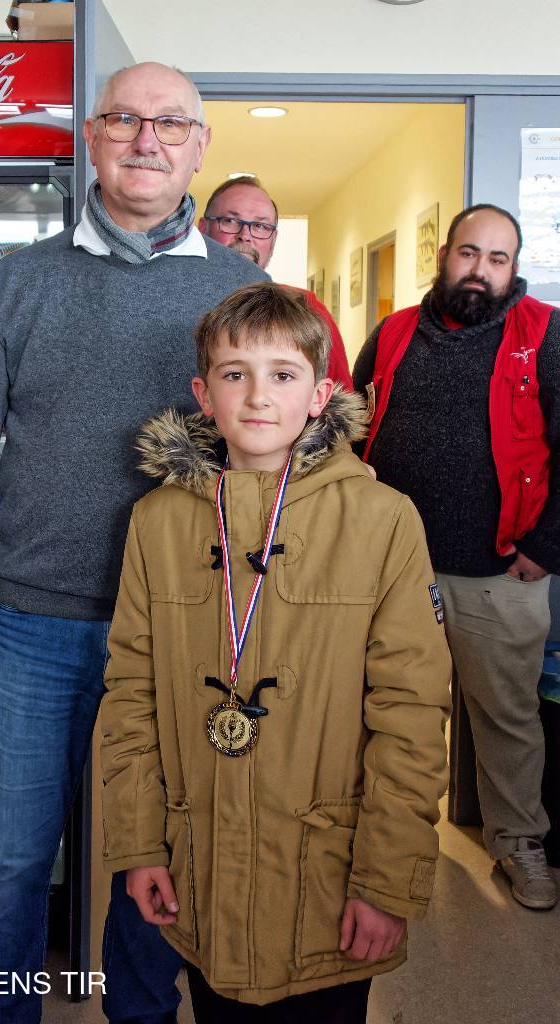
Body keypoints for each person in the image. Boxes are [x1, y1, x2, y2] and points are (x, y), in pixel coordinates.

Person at [0, 61, 266, 1024]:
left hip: (184, 630)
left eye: (170, 123)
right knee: (11, 863)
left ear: (199, 146)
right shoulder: (21, 282)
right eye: (123, 119)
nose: (146, 139)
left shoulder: (240, 287)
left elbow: (277, 457)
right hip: (32, 626)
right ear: (92, 138)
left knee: (157, 865)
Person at [101, 282, 452, 1022]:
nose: (258, 396)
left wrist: (386, 882)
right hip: (199, 867)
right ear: (204, 394)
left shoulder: (383, 520)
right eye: (235, 374)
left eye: (283, 374)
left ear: (320, 394)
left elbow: (412, 713)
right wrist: (137, 846)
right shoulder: (156, 522)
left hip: (327, 880)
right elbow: (131, 693)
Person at [353, 203, 560, 911]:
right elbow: (350, 424)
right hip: (391, 568)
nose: (480, 270)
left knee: (505, 716)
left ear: (513, 269)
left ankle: (518, 843)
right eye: (469, 253)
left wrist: (544, 547)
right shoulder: (392, 333)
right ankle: (381, 839)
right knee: (389, 709)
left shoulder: (545, 334)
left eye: (497, 259)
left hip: (499, 568)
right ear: (444, 256)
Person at [199, 176, 353, 389]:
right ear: (203, 228)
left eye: (260, 226)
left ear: (273, 240)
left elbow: (340, 396)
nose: (245, 235)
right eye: (230, 221)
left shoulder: (307, 308)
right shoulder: (170, 298)